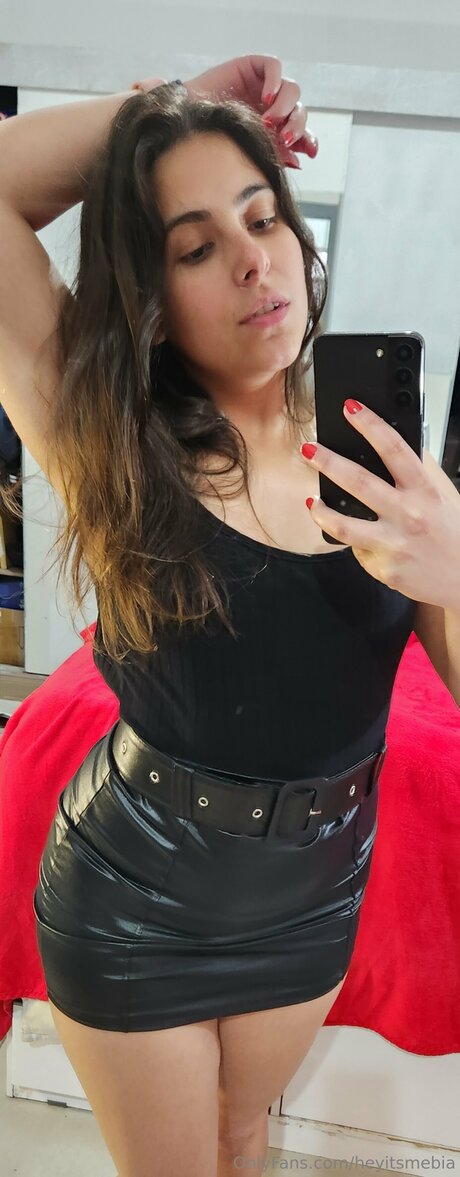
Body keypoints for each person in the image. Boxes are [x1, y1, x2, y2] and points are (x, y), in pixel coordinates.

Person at [0, 54, 423, 1177]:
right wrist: (166, 108)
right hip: (138, 897)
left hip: (315, 893)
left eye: (261, 216)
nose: (251, 260)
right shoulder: (109, 441)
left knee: (242, 1140)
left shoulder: (378, 453)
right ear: (149, 296)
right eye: (194, 247)